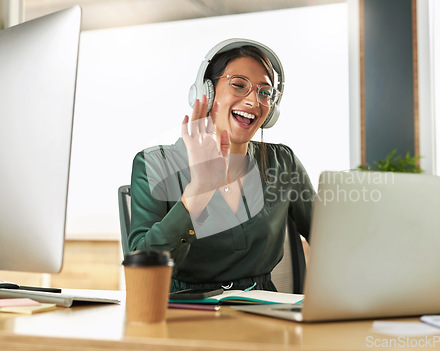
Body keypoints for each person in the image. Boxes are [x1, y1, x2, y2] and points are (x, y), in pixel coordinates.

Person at [129, 39, 315, 292]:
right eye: (239, 85)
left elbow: (330, 239)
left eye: (265, 92)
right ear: (207, 92)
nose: (254, 101)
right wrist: (199, 190)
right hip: (184, 315)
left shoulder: (283, 163)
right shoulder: (155, 165)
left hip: (266, 316)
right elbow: (143, 266)